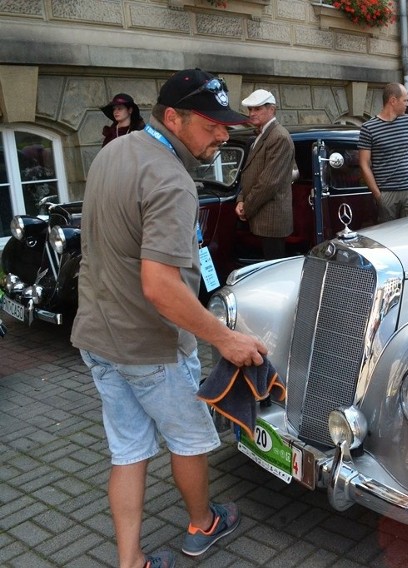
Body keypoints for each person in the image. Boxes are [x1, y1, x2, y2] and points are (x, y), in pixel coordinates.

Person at [71, 68, 268, 568]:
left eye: (226, 124)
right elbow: (159, 286)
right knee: (189, 439)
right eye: (211, 125)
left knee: (128, 450)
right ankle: (202, 524)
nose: (223, 135)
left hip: (98, 337)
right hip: (151, 347)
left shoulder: (114, 151)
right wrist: (224, 338)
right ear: (173, 118)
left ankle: (129, 560)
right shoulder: (171, 179)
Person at [235, 89, 294, 260]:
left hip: (271, 220)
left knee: (272, 270)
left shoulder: (279, 137)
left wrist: (246, 206)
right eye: (250, 109)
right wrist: (240, 199)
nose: (252, 113)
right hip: (259, 216)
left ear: (272, 109)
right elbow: (249, 172)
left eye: (257, 109)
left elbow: (269, 182)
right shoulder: (259, 135)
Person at [359, 83, 408, 223]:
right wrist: (378, 196)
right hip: (387, 193)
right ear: (393, 100)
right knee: (389, 238)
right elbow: (364, 164)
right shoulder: (369, 128)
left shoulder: (407, 121)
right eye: (405, 100)